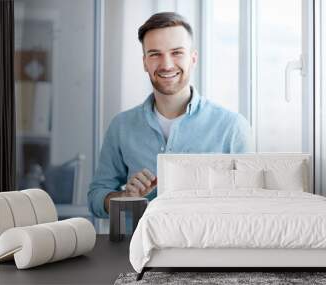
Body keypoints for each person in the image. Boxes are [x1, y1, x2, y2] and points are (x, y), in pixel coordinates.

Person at [88, 12, 253, 219]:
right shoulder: (121, 126)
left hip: (208, 249)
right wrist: (125, 198)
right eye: (155, 54)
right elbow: (96, 197)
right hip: (138, 249)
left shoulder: (232, 127)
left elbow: (249, 206)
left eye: (176, 52)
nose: (166, 64)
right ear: (145, 62)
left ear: (193, 58)